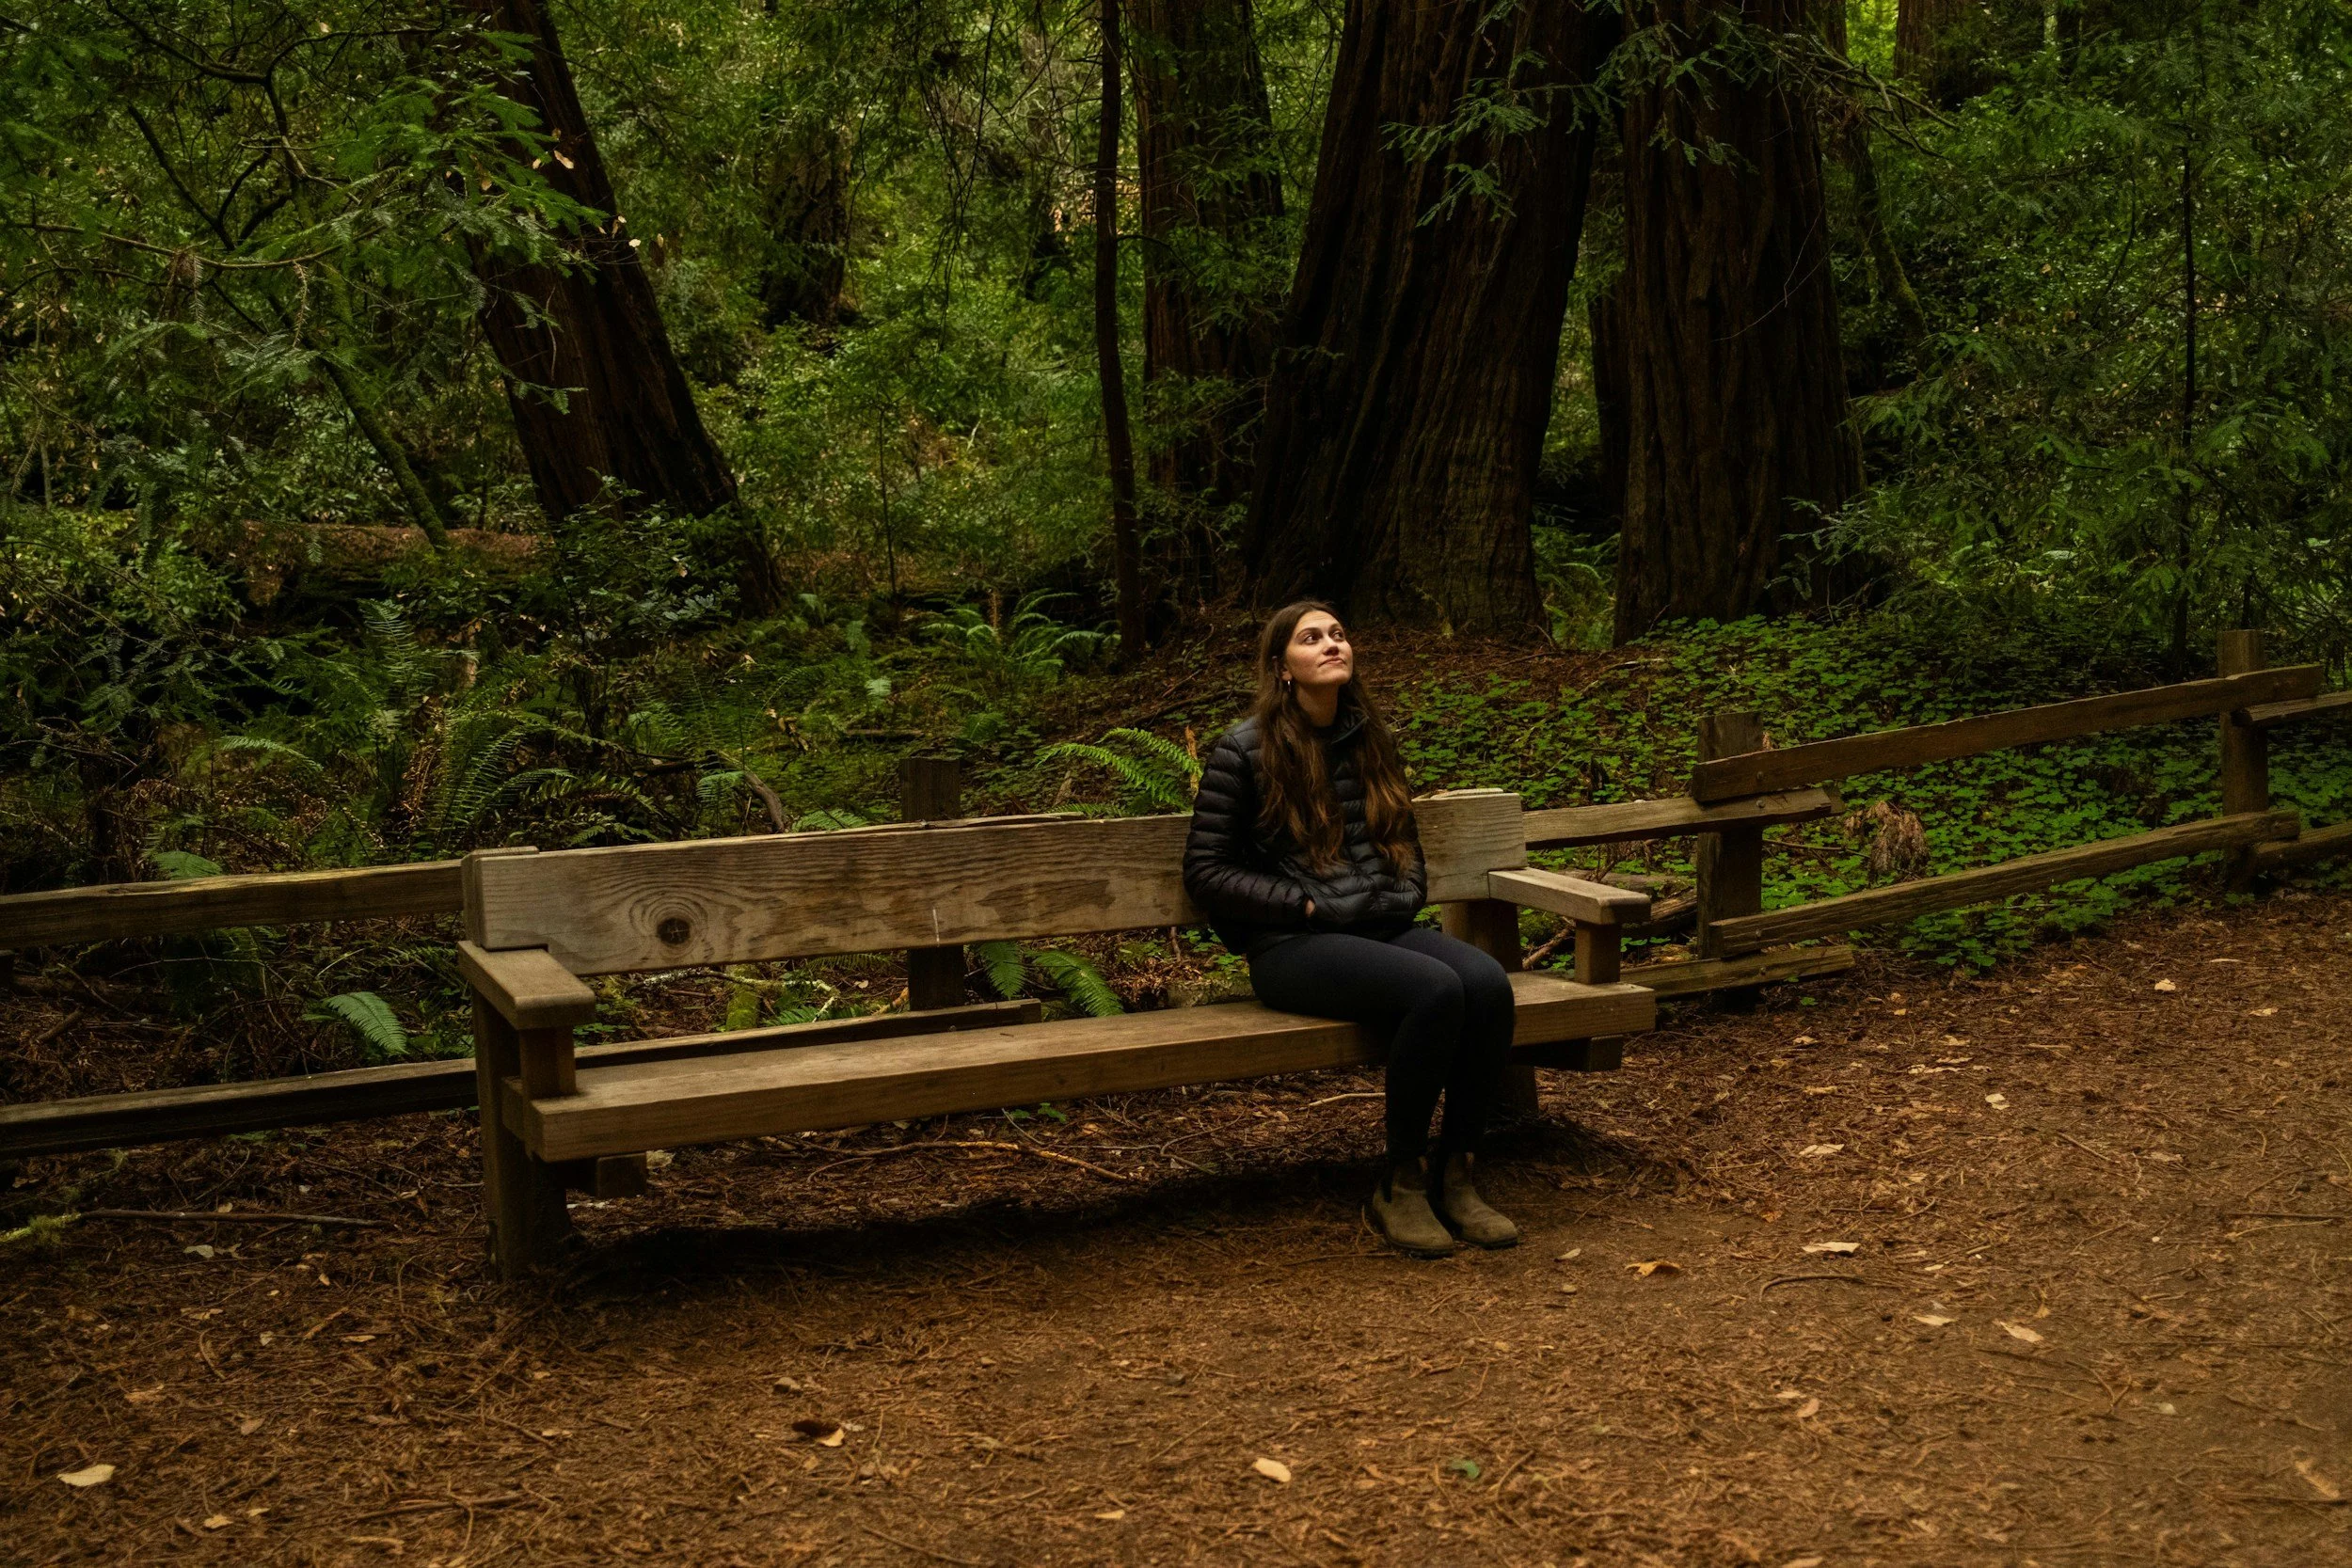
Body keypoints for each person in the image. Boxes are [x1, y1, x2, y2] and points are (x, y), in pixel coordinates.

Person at [1182, 600, 1520, 1258]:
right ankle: (1399, 1182)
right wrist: (1302, 907)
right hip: (1291, 947)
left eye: (1338, 633)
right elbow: (1206, 871)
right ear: (1283, 668)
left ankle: (1457, 1174)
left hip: (1376, 927)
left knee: (1487, 983)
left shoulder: (1369, 736)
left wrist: (1397, 894)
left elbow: (1405, 843)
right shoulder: (1243, 749)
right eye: (1312, 638)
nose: (1332, 643)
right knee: (1436, 990)